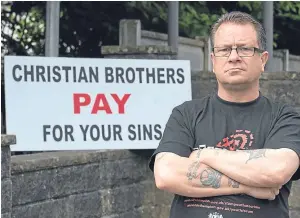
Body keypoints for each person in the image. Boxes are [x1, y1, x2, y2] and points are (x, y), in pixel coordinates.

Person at [148, 11, 300, 218]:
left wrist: (205, 154)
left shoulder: (284, 117)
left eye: (245, 49)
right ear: (213, 60)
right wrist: (249, 185)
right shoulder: (186, 114)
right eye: (224, 50)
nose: (234, 57)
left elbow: (275, 171)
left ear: (263, 59)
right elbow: (166, 175)